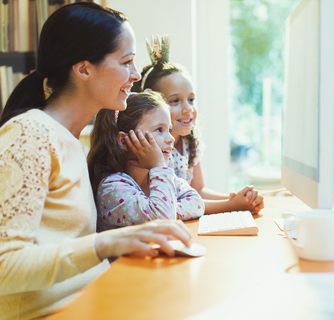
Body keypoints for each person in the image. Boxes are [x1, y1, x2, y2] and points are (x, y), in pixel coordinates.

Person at [0, 4, 192, 320]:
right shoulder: (29, 133)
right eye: (127, 62)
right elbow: (6, 267)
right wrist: (107, 243)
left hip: (96, 300)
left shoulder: (73, 139)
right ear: (84, 69)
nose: (135, 75)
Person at [132, 35, 265, 215]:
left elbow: (198, 190)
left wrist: (236, 199)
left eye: (191, 99)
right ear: (152, 105)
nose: (188, 109)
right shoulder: (152, 146)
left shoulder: (190, 141)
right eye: (175, 101)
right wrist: (232, 205)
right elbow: (170, 203)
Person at [88, 91, 205, 232]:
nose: (170, 138)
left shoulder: (161, 178)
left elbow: (197, 203)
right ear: (124, 141)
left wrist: (169, 209)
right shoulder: (111, 188)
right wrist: (158, 166)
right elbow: (163, 220)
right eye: (159, 130)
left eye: (169, 129)